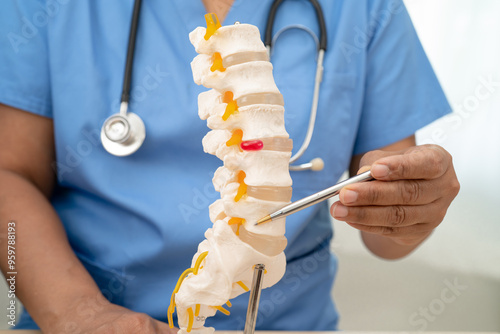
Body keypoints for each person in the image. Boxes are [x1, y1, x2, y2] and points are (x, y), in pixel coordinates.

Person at [0, 0, 459, 332]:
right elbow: (8, 174)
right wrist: (76, 313)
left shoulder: (364, 8)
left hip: (285, 320)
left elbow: (388, 238)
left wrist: (409, 208)